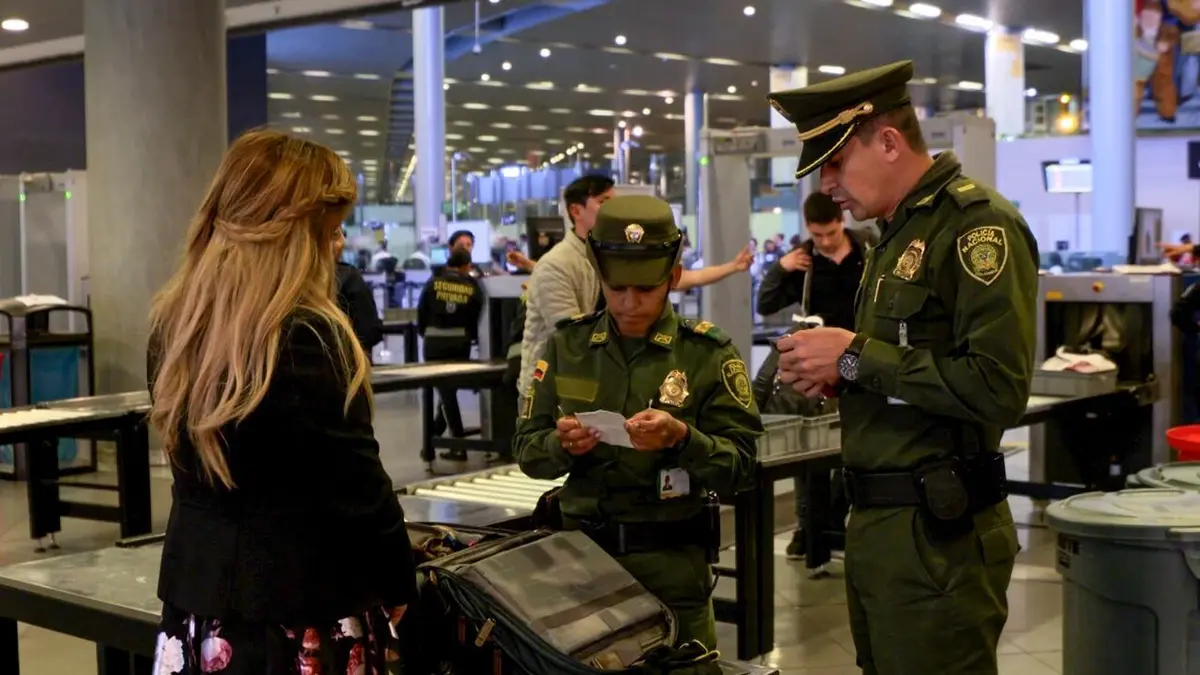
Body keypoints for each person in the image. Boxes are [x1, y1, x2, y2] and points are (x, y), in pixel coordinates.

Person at [768, 61, 1036, 674]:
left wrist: (857, 355)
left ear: (889, 141)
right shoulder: (892, 236)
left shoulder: (975, 227)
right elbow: (915, 367)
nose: (827, 185)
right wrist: (845, 375)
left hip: (940, 538)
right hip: (882, 526)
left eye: (836, 163)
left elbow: (999, 389)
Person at [146, 129, 415, 674]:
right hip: (301, 611)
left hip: (198, 605)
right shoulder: (311, 337)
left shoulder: (173, 326)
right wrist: (397, 581)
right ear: (290, 238)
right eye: (330, 232)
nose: (339, 246)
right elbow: (359, 491)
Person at [513, 195, 762, 650]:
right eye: (616, 288)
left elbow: (744, 466)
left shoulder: (706, 355)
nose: (629, 303)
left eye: (645, 290)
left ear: (674, 278)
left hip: (671, 572)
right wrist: (560, 444)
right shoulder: (568, 347)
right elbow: (527, 450)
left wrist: (683, 438)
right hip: (580, 568)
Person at [518, 174, 754, 402]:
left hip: (602, 382)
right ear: (576, 211)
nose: (631, 300)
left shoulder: (610, 256)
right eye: (603, 202)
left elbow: (682, 278)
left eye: (644, 289)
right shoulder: (558, 265)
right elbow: (575, 338)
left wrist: (732, 267)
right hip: (557, 389)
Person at [756, 192, 875, 559]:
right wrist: (782, 267)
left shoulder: (868, 251)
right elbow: (765, 303)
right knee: (812, 453)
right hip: (820, 368)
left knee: (852, 450)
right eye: (817, 235)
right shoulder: (805, 262)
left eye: (831, 233)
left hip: (862, 358)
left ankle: (835, 523)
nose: (824, 241)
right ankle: (810, 530)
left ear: (842, 221)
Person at [418, 248, 484, 458]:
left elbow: (421, 312)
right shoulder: (471, 285)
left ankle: (455, 443)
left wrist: (425, 333)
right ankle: (437, 435)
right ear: (466, 266)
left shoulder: (433, 283)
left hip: (434, 342)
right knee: (448, 390)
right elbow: (478, 312)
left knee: (445, 391)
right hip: (459, 342)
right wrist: (470, 336)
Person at [334, 227, 384, 354]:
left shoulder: (287, 280)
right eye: (335, 234)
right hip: (346, 363)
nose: (342, 242)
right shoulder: (348, 278)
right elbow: (368, 331)